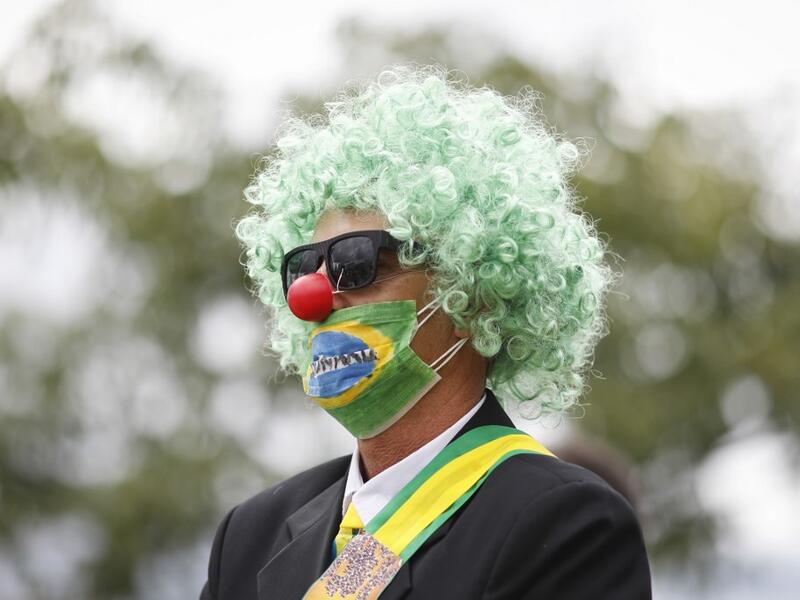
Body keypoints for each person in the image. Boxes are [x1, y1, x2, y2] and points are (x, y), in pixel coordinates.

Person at [200, 64, 652, 600]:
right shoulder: (251, 535)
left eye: (357, 261)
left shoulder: (566, 525)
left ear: (476, 294)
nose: (315, 297)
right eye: (305, 265)